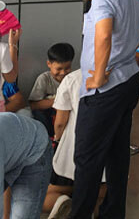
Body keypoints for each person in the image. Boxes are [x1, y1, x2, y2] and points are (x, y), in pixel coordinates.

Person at [70, 0, 139, 219]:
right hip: (128, 80)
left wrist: (99, 74)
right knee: (117, 155)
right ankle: (113, 213)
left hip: (105, 90)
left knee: (87, 158)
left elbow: (103, 34)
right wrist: (138, 51)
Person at [42, 70, 106, 219]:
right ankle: (90, 206)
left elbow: (60, 122)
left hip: (72, 152)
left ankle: (67, 203)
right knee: (103, 192)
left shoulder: (72, 79)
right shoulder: (121, 76)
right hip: (105, 152)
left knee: (46, 196)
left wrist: (57, 139)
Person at [29, 43, 75, 136]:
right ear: (49, 64)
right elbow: (34, 105)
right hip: (48, 116)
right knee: (38, 114)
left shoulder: (73, 79)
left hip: (66, 116)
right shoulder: (44, 79)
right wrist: (59, 100)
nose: (63, 73)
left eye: (67, 68)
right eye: (59, 69)